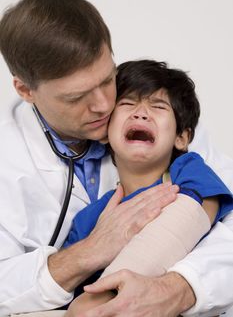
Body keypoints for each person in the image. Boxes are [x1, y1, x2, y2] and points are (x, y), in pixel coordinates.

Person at [0, 0, 232, 317]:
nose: (104, 105)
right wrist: (90, 252)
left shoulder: (158, 114)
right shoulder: (6, 160)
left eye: (108, 79)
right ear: (25, 90)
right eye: (75, 97)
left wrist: (180, 288)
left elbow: (223, 211)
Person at [63, 59, 232, 315]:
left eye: (158, 106)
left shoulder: (187, 171)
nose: (141, 113)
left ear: (182, 137)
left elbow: (198, 210)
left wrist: (105, 299)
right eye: (128, 104)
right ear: (106, 131)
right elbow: (72, 288)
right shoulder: (90, 219)